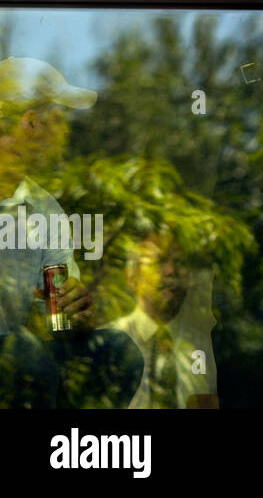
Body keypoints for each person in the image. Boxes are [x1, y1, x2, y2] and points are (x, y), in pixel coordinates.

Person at [0, 57, 141, 408]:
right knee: (24, 356)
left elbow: (58, 313)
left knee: (119, 351)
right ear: (30, 123)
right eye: (59, 120)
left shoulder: (46, 211)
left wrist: (75, 313)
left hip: (19, 363)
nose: (65, 133)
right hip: (16, 360)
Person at [107, 231, 219, 408]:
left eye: (180, 262)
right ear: (131, 276)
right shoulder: (109, 342)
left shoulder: (204, 346)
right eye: (159, 262)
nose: (171, 271)